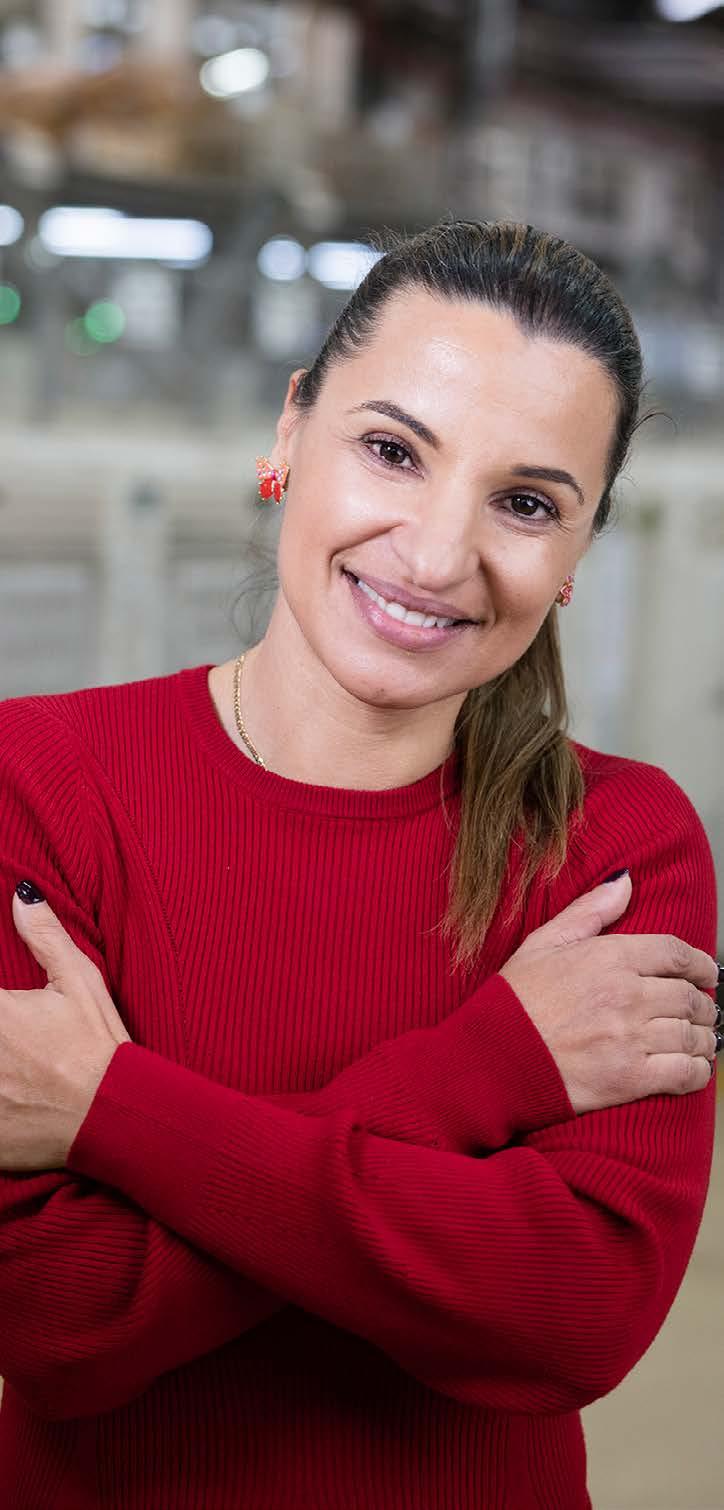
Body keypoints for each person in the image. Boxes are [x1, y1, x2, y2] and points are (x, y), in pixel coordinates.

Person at [0, 218, 720, 1510]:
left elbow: (573, 1318)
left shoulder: (617, 845)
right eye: (392, 450)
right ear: (290, 431)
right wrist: (491, 1066)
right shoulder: (39, 784)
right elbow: (55, 1322)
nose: (436, 557)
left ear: (577, 554)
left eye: (526, 503)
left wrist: (114, 1110)